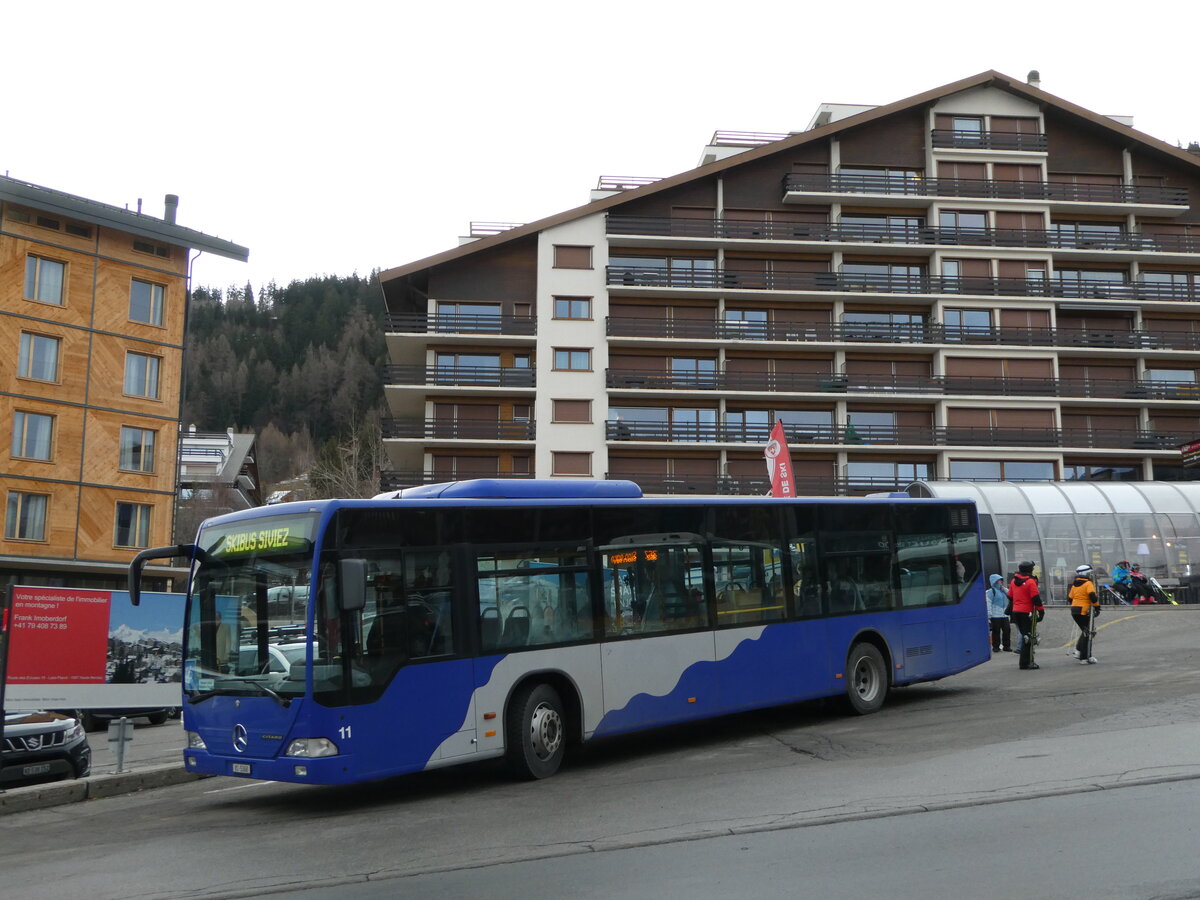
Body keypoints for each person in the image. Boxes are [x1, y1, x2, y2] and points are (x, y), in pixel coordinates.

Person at [1009, 561, 1044, 670]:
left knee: (1025, 635)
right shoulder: (1030, 582)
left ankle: (1024, 662)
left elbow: (1010, 596)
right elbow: (1035, 598)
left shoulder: (1013, 580)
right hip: (1027, 611)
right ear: (1030, 570)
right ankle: (1026, 663)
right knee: (1028, 637)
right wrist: (1041, 611)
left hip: (1016, 611)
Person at [1067, 564, 1099, 664]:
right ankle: (1085, 657)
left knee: (1085, 631)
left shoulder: (1075, 584)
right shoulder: (1088, 583)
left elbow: (1069, 598)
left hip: (1074, 610)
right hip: (1084, 610)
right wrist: (1097, 606)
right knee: (1088, 633)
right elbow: (1092, 595)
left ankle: (1079, 651)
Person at [986, 574, 1012, 652]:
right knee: (996, 632)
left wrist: (1004, 589)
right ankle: (996, 647)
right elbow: (988, 603)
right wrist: (989, 615)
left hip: (1005, 615)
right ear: (995, 581)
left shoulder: (1004, 590)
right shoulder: (990, 592)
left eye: (1001, 580)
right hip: (995, 615)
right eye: (999, 580)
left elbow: (1011, 595)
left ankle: (1006, 646)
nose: (1001, 581)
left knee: (1007, 630)